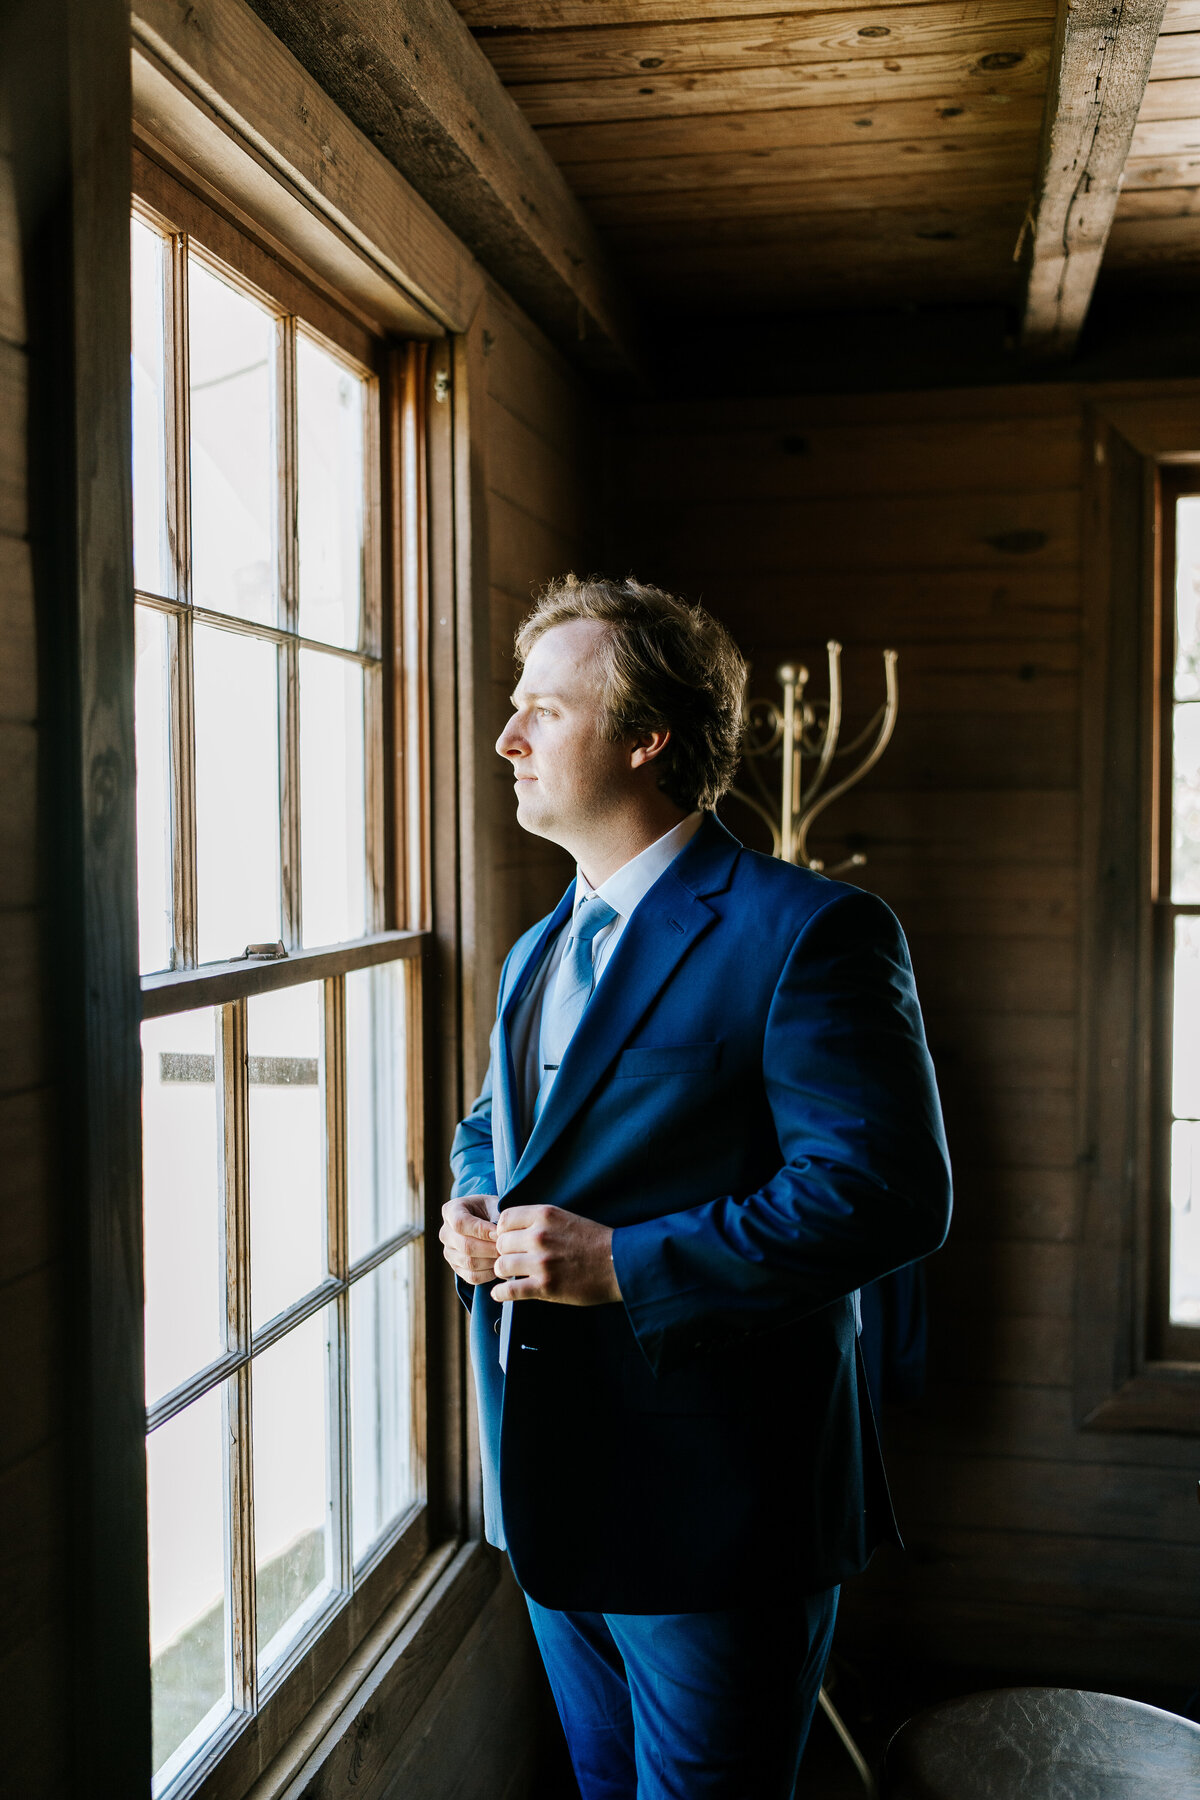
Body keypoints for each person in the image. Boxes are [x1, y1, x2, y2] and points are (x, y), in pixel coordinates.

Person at [440, 575, 951, 1800]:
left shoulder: (812, 931)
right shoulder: (542, 941)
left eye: (541, 714)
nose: (506, 739)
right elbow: (496, 1129)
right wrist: (471, 1206)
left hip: (721, 1506)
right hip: (549, 1492)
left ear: (646, 736)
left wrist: (621, 1263)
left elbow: (883, 1191)